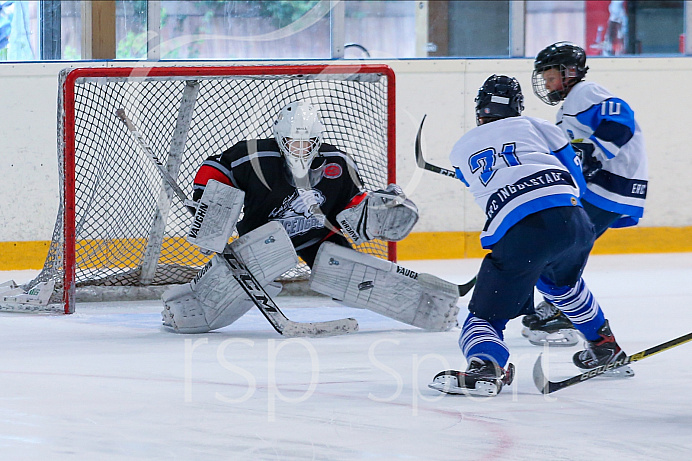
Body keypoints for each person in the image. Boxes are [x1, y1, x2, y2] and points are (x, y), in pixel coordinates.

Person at [161, 100, 457, 334]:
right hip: (264, 238)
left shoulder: (338, 163)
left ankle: (430, 306)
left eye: (306, 143)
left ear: (317, 141)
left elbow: (352, 206)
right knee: (241, 277)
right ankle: (189, 306)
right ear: (280, 138)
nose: (299, 149)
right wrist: (208, 202)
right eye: (292, 142)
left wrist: (376, 213)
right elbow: (216, 167)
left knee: (347, 273)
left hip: (319, 235)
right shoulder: (254, 156)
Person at [429, 75, 632, 397]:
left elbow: (478, 181)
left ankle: (487, 367)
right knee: (561, 285)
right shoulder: (538, 126)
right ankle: (605, 345)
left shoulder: (461, 149)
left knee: (484, 317)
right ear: (518, 107)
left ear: (479, 111)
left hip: (522, 229)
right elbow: (575, 177)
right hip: (575, 220)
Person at [522, 41, 648, 347]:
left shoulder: (586, 92)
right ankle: (562, 305)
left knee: (561, 246)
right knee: (565, 246)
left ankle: (564, 310)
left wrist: (590, 155)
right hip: (602, 186)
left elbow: (622, 120)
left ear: (571, 72)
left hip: (612, 183)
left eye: (552, 77)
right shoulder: (567, 109)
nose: (548, 84)